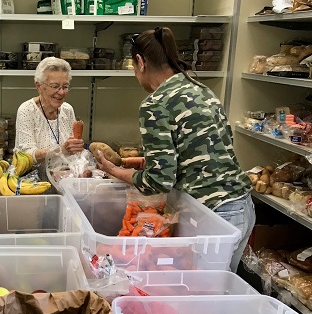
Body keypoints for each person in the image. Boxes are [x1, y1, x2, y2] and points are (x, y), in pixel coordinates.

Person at [96, 27, 254, 273]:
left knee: (197, 296)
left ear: (140, 62)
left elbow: (158, 182)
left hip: (213, 215)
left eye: (133, 68)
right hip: (241, 206)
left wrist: (115, 171)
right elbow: (211, 146)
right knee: (217, 292)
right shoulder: (202, 90)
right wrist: (152, 160)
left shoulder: (155, 103)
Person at [15, 57, 85, 165]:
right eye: (55, 86)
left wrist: (76, 147)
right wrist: (61, 151)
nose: (61, 92)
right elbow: (27, 154)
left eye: (65, 86)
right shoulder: (27, 110)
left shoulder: (68, 110)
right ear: (39, 86)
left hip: (63, 177)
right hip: (33, 179)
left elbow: (73, 152)